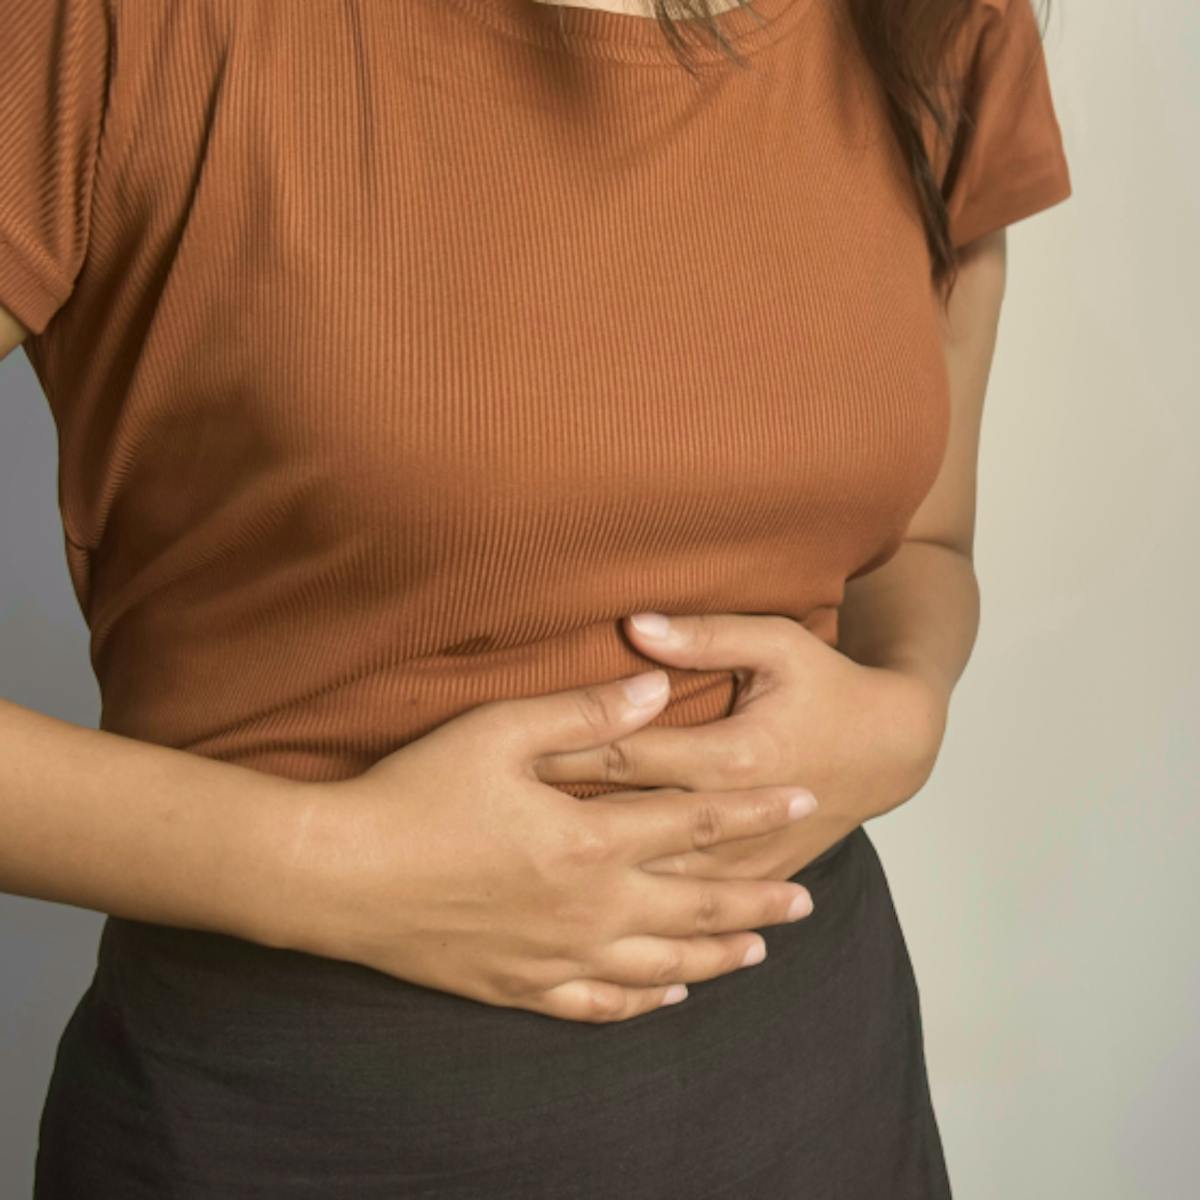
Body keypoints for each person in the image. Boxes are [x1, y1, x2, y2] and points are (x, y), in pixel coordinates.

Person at [0, 0, 1072, 1194]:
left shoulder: (939, 22)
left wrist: (910, 706)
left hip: (821, 1102)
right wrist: (329, 859)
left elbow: (922, 538)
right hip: (293, 1130)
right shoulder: (110, 28)